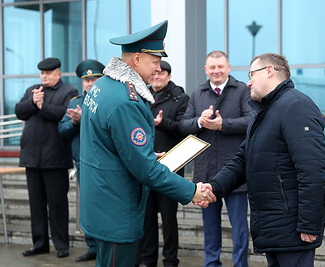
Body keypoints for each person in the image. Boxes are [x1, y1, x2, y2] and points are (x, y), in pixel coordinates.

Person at [79, 20, 215, 267]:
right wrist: (192, 190)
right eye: (155, 61)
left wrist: (147, 154)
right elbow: (145, 170)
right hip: (117, 207)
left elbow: (108, 144)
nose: (158, 68)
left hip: (101, 202)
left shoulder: (102, 86)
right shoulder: (126, 101)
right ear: (137, 59)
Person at [203, 53, 325, 267]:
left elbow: (313, 170)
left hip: (293, 229)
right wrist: (214, 188)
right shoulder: (263, 113)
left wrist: (309, 224)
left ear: (269, 71)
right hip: (273, 227)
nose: (249, 82)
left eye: (252, 74)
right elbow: (243, 159)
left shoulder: (296, 106)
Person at [180, 50, 254, 267]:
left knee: (239, 227)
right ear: (206, 70)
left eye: (220, 66)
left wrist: (223, 124)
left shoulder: (241, 90)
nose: (217, 71)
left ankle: (241, 264)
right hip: (205, 172)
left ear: (229, 67)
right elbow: (184, 125)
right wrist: (200, 122)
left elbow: (252, 120)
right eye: (212, 67)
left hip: (234, 173)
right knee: (210, 227)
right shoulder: (197, 93)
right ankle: (211, 264)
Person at [15, 57, 78, 258]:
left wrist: (42, 107)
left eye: (48, 73)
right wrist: (34, 102)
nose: (44, 76)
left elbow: (64, 114)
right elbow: (19, 111)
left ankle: (61, 245)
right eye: (42, 73)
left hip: (56, 159)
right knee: (36, 204)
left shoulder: (69, 92)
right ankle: (39, 244)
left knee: (57, 205)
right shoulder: (33, 90)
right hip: (32, 158)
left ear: (58, 73)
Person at [136, 60, 189, 267]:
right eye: (155, 73)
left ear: (169, 76)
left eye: (162, 74)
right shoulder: (141, 96)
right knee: (147, 219)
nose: (157, 77)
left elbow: (185, 129)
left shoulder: (181, 98)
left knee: (169, 219)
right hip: (147, 167)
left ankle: (170, 261)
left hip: (170, 168)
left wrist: (162, 123)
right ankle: (147, 260)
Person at [58, 59, 105, 262]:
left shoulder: (107, 100)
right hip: (82, 163)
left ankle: (104, 247)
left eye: (94, 79)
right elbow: (61, 130)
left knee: (104, 207)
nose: (89, 83)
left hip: (104, 164)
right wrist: (75, 123)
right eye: (86, 80)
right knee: (86, 206)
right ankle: (92, 247)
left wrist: (84, 118)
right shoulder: (75, 102)